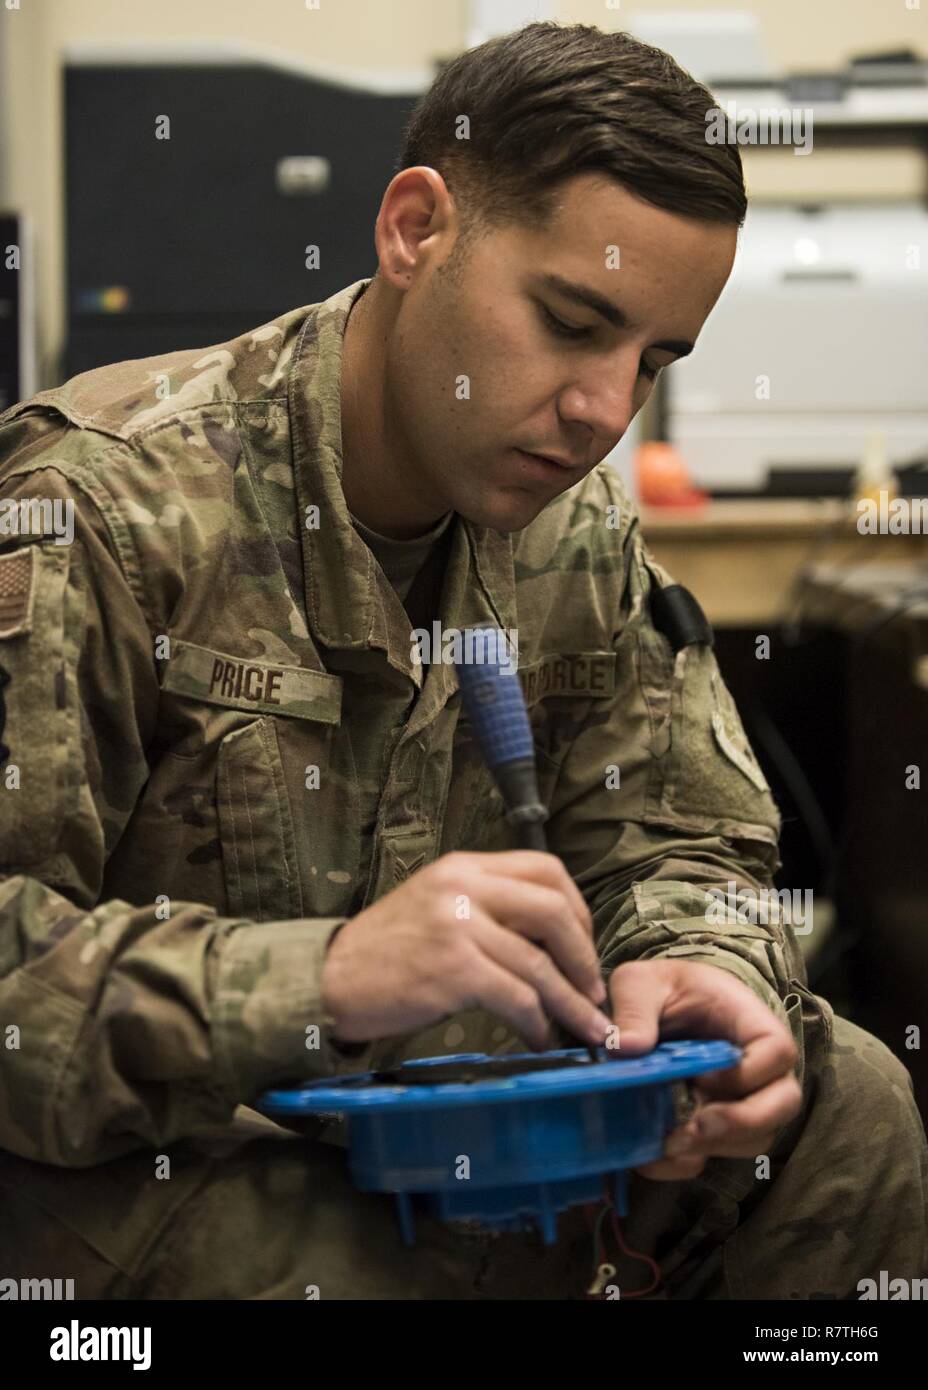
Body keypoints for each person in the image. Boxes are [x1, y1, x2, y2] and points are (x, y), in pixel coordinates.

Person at [0, 21, 924, 1300]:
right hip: (197, 1152)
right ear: (415, 228)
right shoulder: (103, 509)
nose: (606, 411)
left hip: (463, 1125)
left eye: (652, 360)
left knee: (852, 1106)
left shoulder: (571, 524)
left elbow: (675, 839)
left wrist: (696, 968)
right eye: (570, 321)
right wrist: (314, 981)